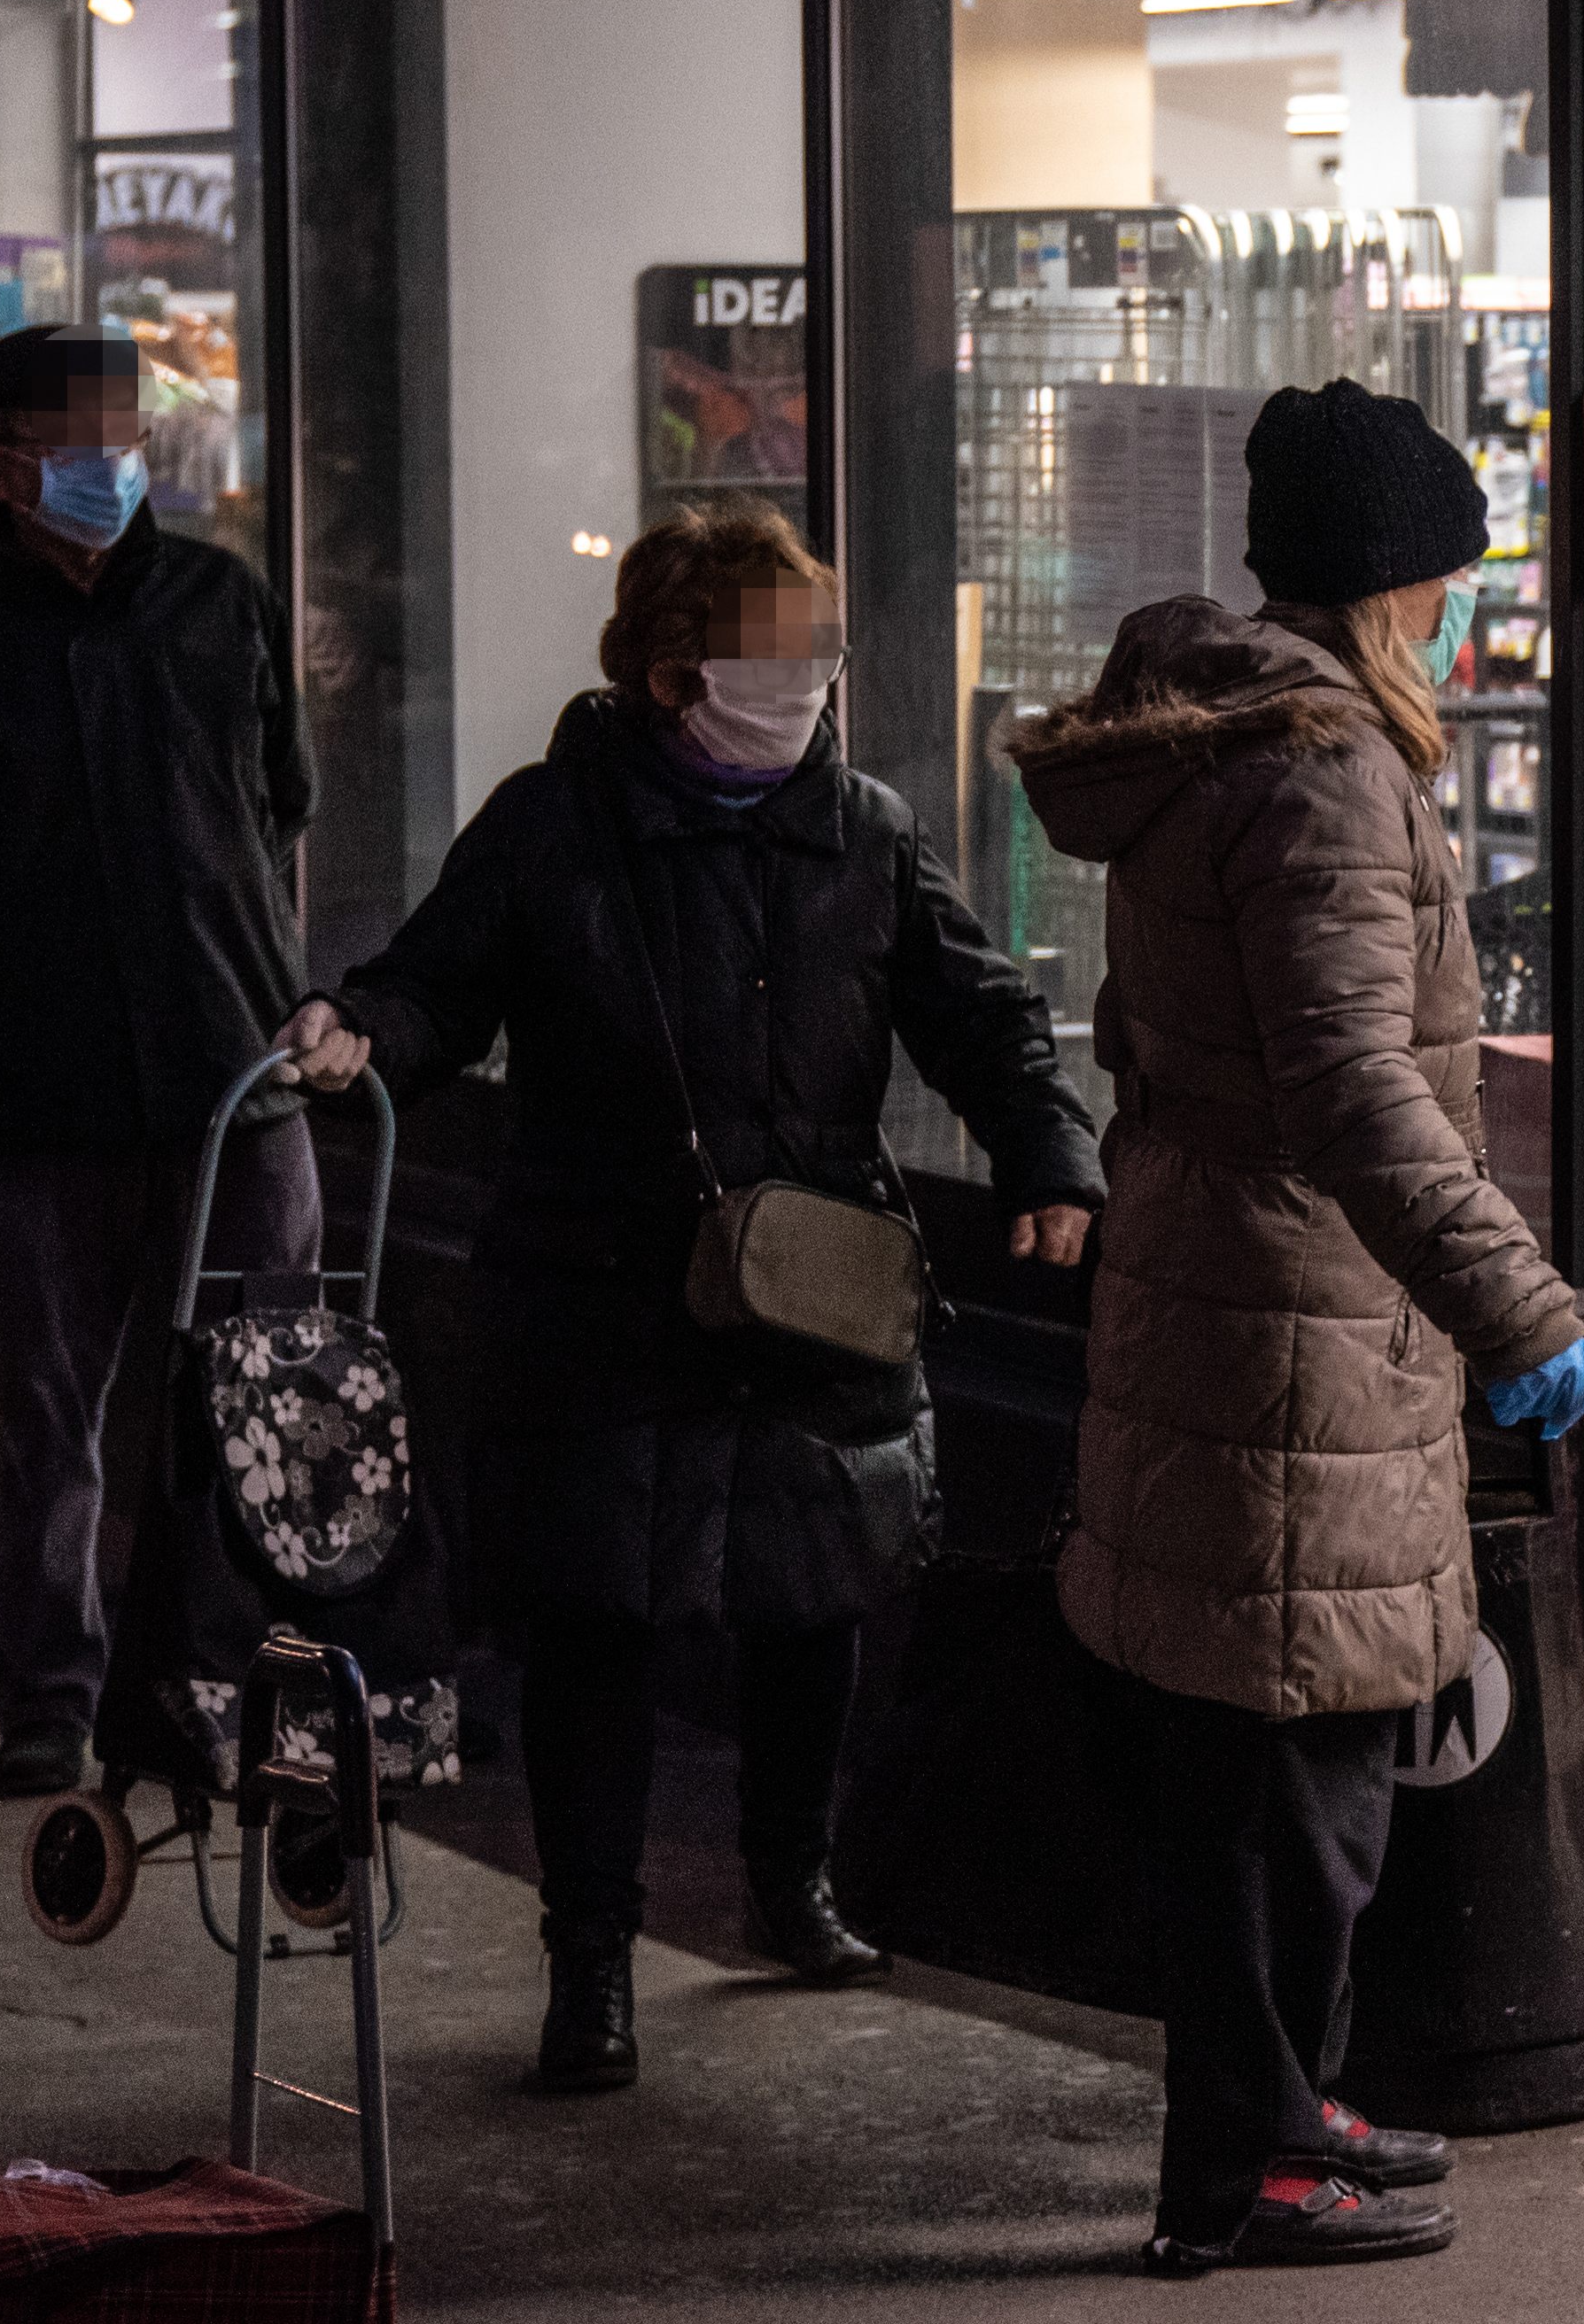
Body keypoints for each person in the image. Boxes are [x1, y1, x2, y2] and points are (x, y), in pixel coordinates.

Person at [274, 501, 1104, 2094]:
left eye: (819, 654)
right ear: (671, 674)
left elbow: (981, 1014)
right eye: (772, 656)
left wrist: (1051, 1161)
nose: (809, 685)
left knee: (816, 1608)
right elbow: (438, 983)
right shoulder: (551, 826)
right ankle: (590, 1962)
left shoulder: (859, 830)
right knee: (594, 1637)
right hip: (597, 1298)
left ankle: (796, 1884)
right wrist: (359, 1029)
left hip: (814, 1304)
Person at [1009, 380, 1584, 2277]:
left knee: (1260, 1773)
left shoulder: (1217, 730)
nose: (1454, 625)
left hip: (1227, 1299)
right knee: (1297, 1779)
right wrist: (1517, 1307)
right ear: (1387, 592)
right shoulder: (1320, 766)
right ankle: (1250, 2159)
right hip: (1293, 1323)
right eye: (1443, 590)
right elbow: (1359, 1088)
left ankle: (1269, 2118)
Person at [0, 324, 314, 1798]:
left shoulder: (217, 599)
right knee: (46, 1411)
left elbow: (279, 799)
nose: (115, 458)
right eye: (78, 433)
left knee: (267, 1391)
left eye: (126, 427)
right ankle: (48, 1693)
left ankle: (254, 1674)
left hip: (228, 1069)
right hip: (28, 1090)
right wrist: (6, 957)